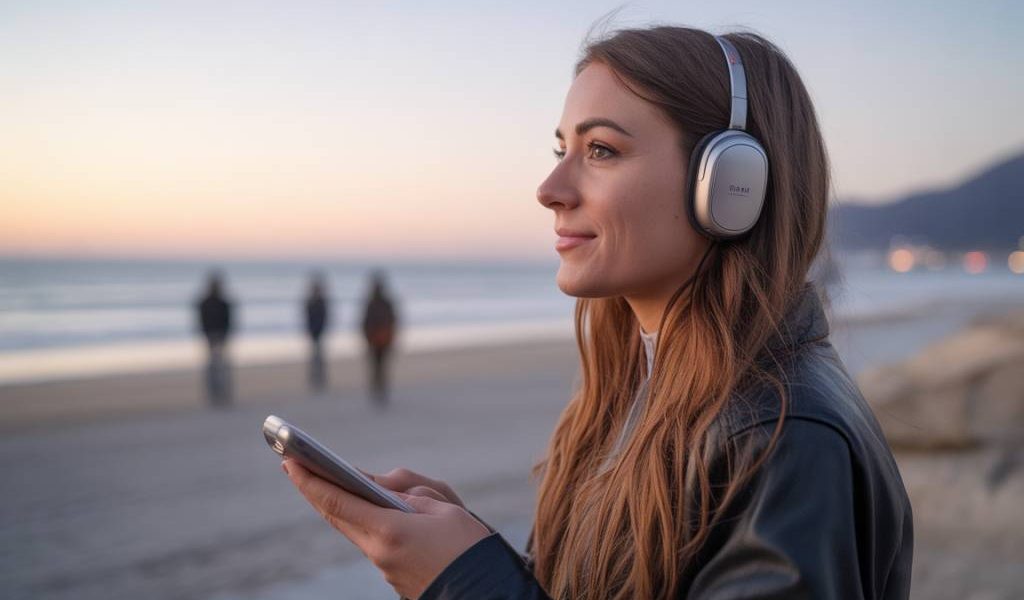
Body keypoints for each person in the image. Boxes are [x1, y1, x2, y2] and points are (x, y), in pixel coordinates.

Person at [281, 26, 914, 599]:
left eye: (602, 150)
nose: (550, 189)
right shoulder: (644, 389)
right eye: (562, 149)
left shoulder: (784, 439)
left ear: (730, 185)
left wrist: (467, 584)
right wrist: (477, 551)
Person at [360, 271, 398, 406]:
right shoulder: (374, 303)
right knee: (377, 367)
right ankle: (378, 391)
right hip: (375, 340)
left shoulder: (381, 303)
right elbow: (365, 322)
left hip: (382, 340)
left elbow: (392, 321)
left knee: (380, 367)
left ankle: (380, 391)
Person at [197, 270, 233, 406]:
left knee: (222, 366)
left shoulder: (222, 302)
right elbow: (202, 320)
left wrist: (224, 335)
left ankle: (223, 394)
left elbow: (228, 320)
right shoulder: (206, 302)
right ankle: (214, 395)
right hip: (211, 336)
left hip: (219, 336)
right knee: (213, 367)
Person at [304, 273, 330, 391]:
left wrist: (321, 329)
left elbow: (324, 317)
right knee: (314, 356)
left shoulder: (321, 301)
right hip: (313, 332)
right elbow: (307, 317)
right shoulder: (311, 301)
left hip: (319, 332)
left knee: (319, 356)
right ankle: (314, 378)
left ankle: (320, 378)